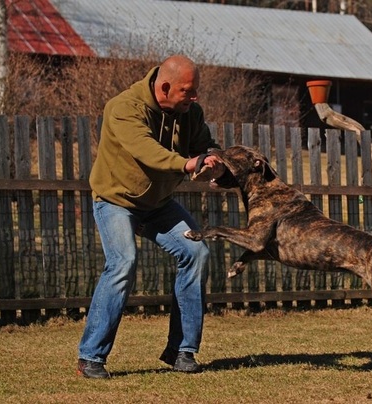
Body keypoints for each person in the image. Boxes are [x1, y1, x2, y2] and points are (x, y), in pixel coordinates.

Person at [77, 55, 223, 379]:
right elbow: (146, 151)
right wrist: (187, 164)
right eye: (188, 91)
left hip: (158, 204)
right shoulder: (124, 107)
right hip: (116, 200)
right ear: (166, 87)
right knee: (123, 262)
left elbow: (206, 146)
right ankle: (91, 357)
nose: (195, 97)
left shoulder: (190, 113)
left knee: (197, 252)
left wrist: (215, 163)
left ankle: (182, 351)